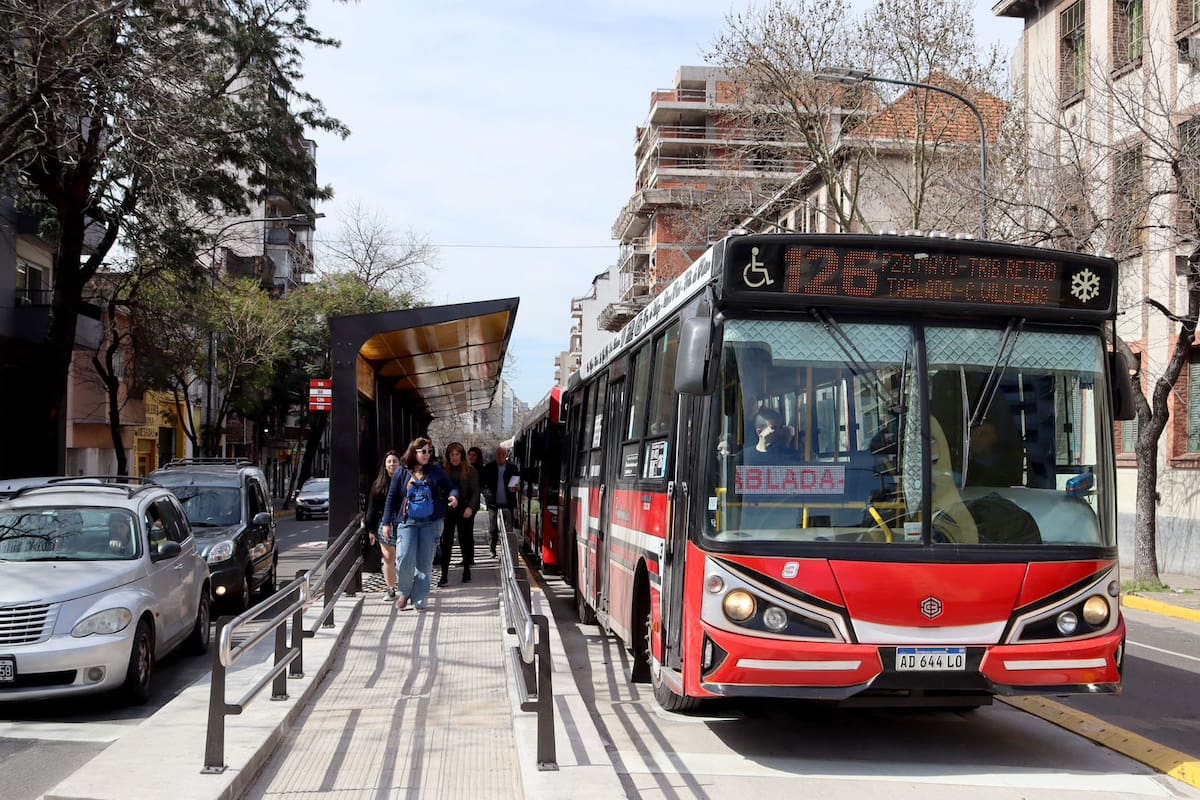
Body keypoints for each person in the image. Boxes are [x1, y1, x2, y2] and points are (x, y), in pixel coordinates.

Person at [379, 437, 460, 611]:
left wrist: (454, 497)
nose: (427, 455)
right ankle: (405, 592)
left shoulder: (435, 471)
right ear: (414, 452)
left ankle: (420, 597)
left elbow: (451, 486)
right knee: (405, 559)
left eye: (429, 452)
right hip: (408, 522)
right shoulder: (402, 471)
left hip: (431, 522)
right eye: (423, 451)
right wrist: (386, 522)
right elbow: (392, 497)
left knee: (425, 562)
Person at [437, 441, 480, 586]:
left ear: (461, 455)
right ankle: (444, 575)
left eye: (457, 454)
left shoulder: (470, 470)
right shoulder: (443, 470)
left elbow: (475, 492)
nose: (454, 457)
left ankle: (467, 569)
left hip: (464, 509)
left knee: (465, 540)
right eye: (452, 455)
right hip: (448, 510)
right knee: (446, 542)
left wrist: (470, 508)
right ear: (448, 456)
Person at [365, 450, 401, 600]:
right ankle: (391, 588)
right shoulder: (378, 484)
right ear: (385, 465)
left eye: (395, 461)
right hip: (384, 523)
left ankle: (406, 587)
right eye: (389, 462)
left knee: (403, 556)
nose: (392, 464)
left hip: (404, 522)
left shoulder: (406, 480)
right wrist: (371, 529)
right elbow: (372, 508)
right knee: (388, 557)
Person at [480, 445, 519, 557]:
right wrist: (488, 495)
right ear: (496, 455)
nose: (501, 456)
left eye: (503, 454)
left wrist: (516, 488)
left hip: (508, 502)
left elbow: (516, 482)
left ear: (506, 455)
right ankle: (492, 549)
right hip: (493, 503)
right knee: (493, 528)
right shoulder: (488, 467)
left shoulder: (513, 468)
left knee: (508, 528)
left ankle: (508, 550)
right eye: (499, 454)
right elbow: (483, 485)